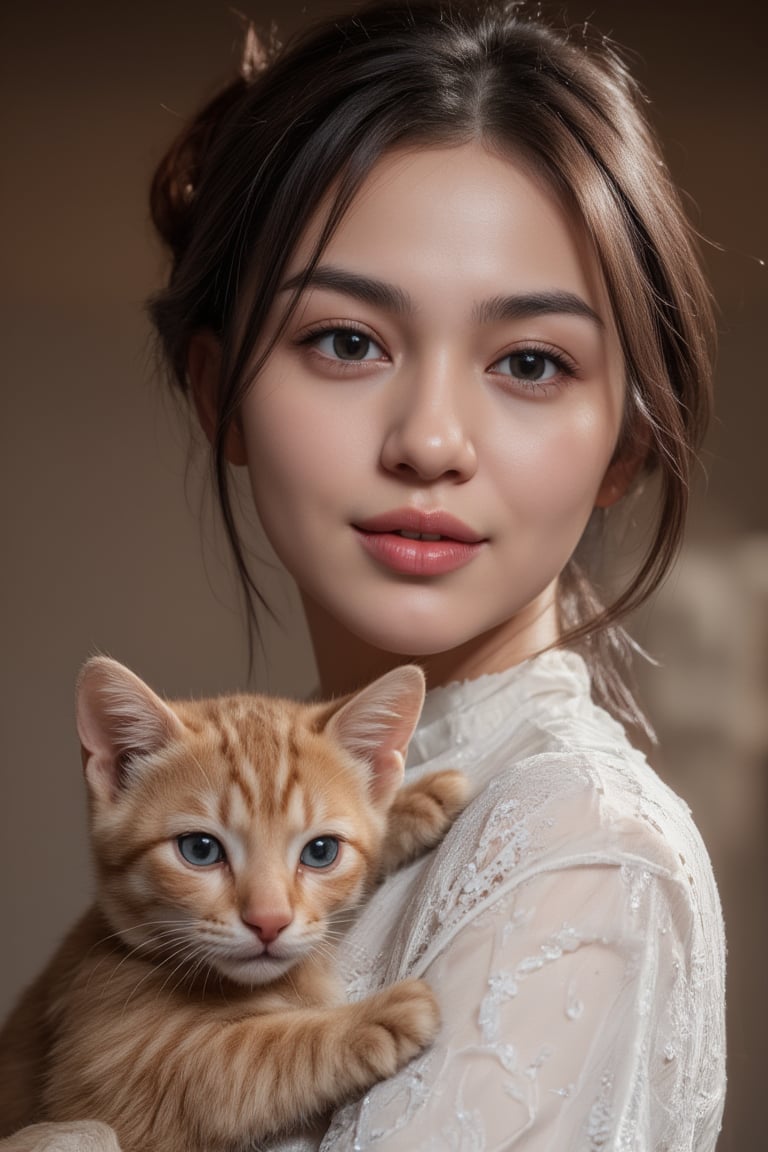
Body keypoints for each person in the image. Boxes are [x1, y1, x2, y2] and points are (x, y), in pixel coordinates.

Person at [6, 1, 725, 1147]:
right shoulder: (323, 790)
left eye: (530, 361)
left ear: (626, 447)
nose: (430, 439)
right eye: (347, 341)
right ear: (218, 393)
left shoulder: (581, 856)